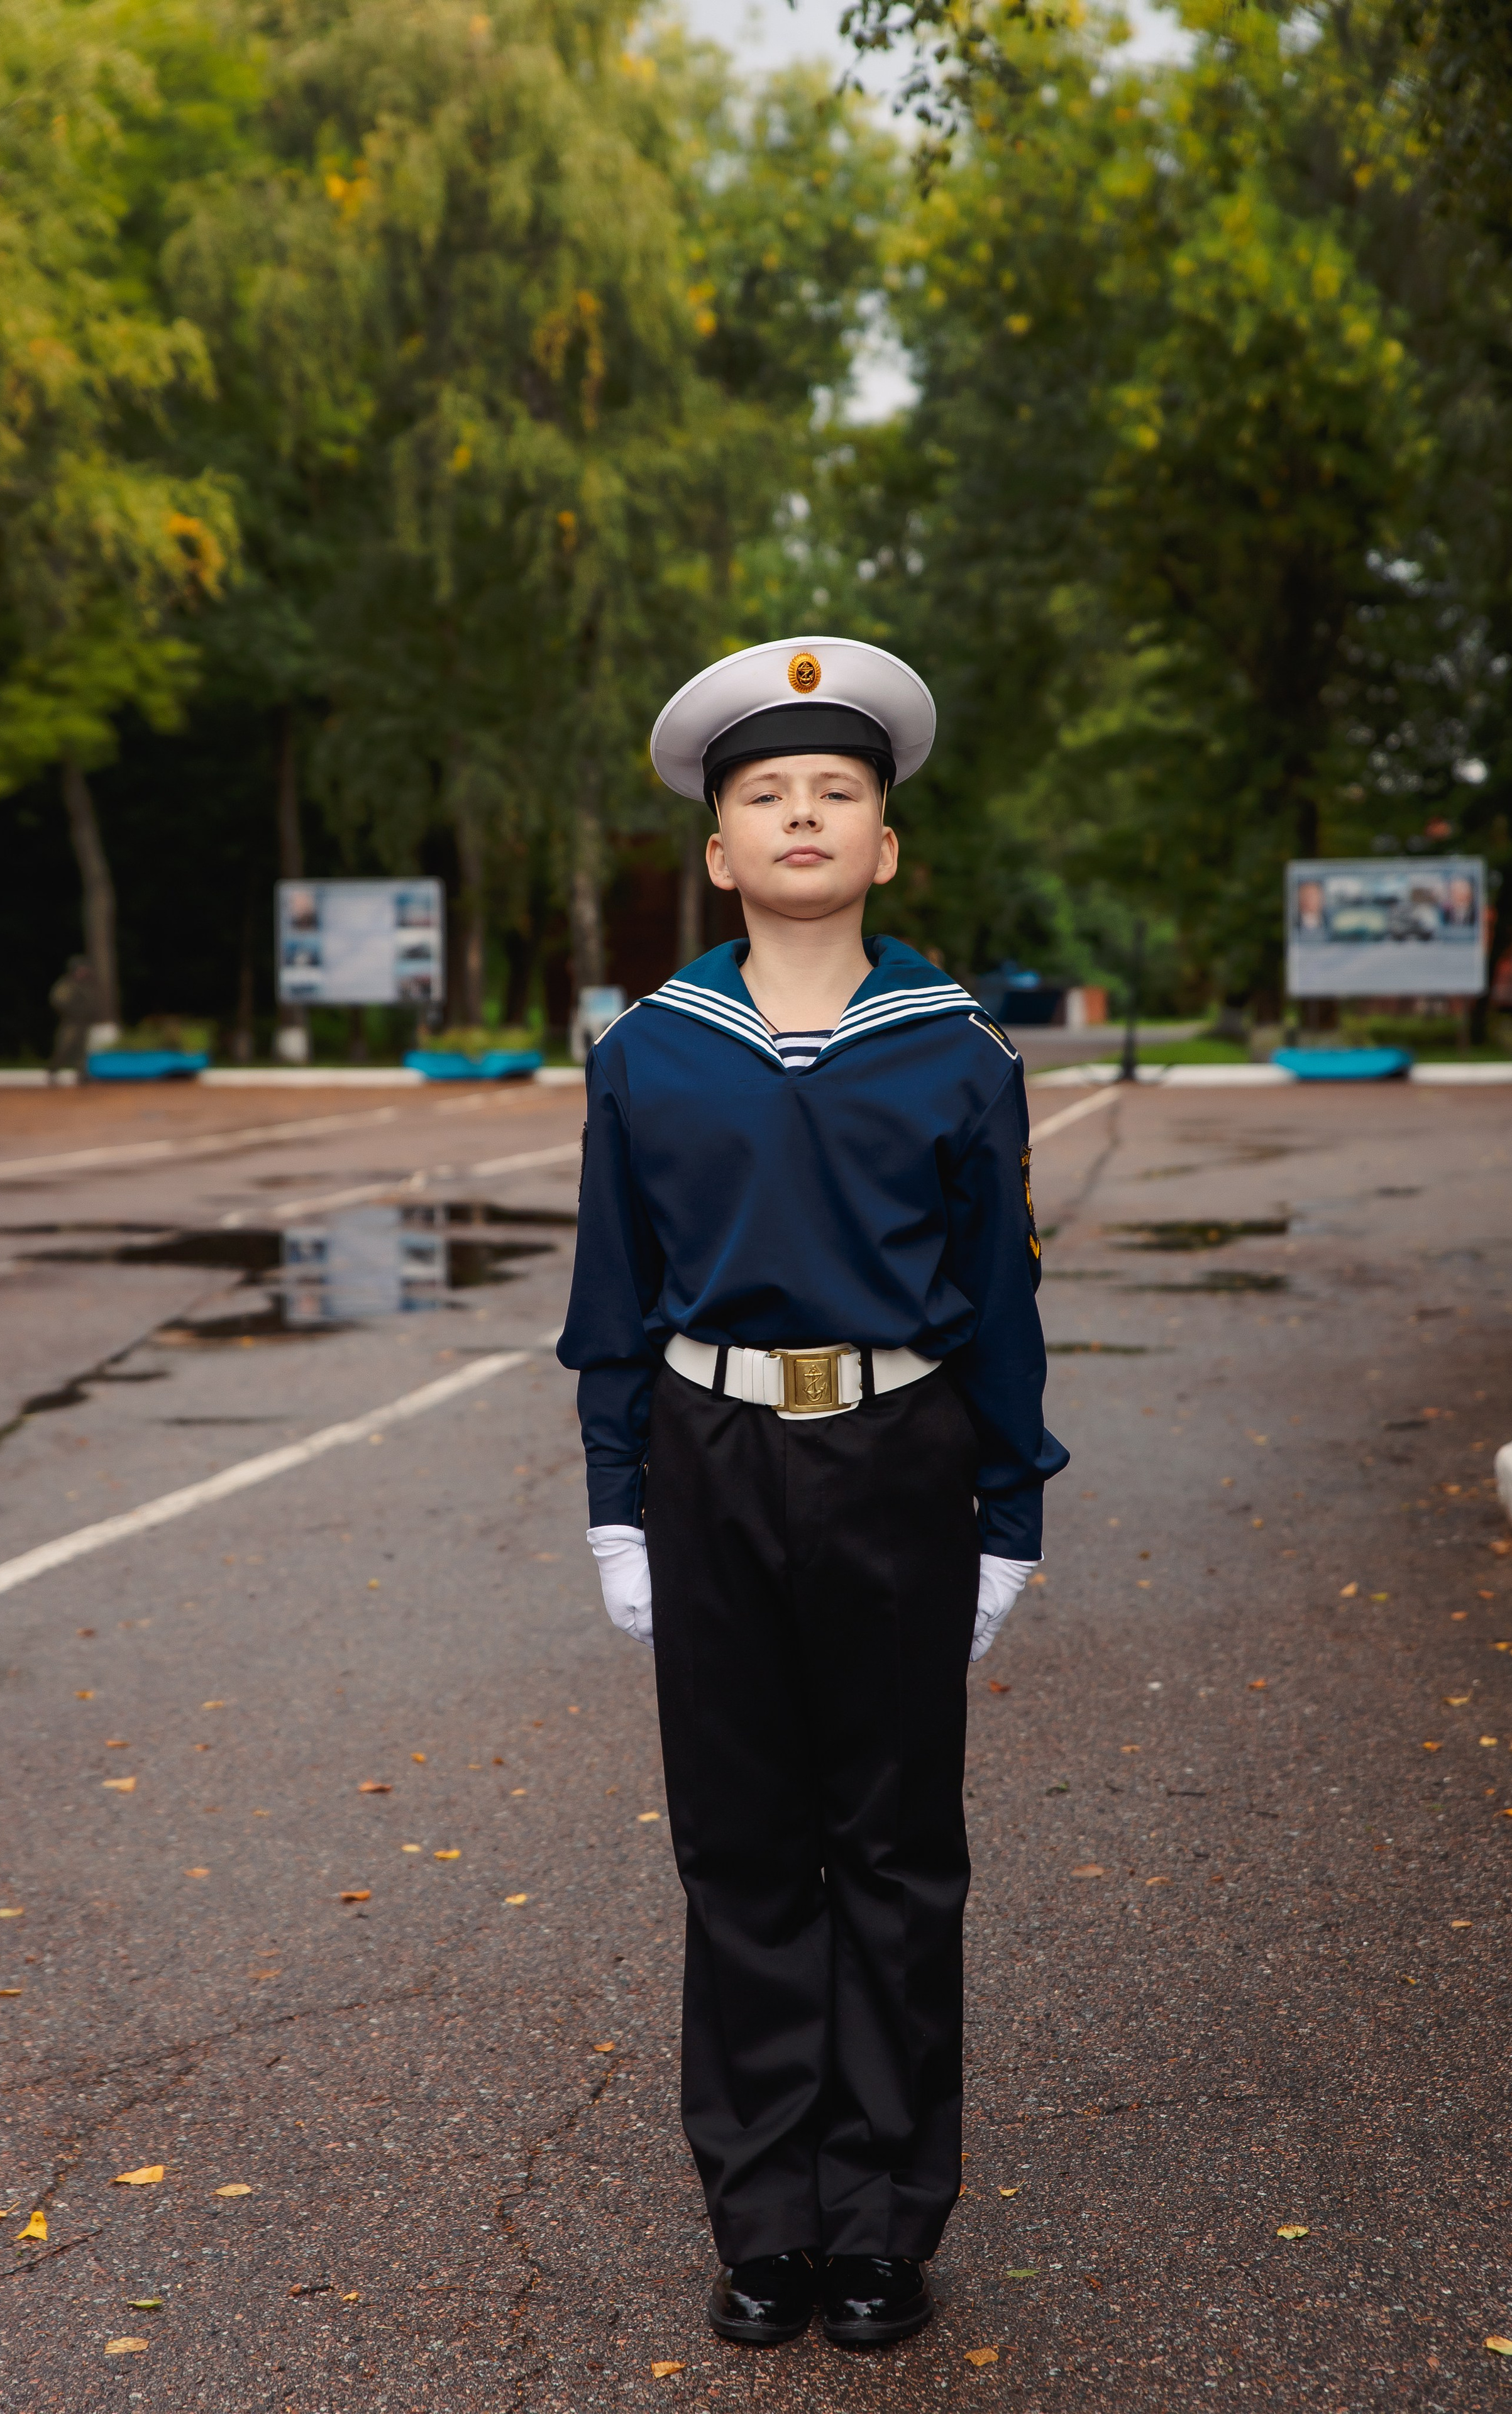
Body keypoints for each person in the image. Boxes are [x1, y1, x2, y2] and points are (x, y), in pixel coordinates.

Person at [556, 636, 1067, 2352]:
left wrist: (1012, 1518)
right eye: (763, 795)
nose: (800, 815)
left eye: (835, 792)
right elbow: (609, 1298)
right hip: (710, 1468)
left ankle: (885, 2227)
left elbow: (1003, 1301)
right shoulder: (651, 1054)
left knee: (899, 1854)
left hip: (901, 1461)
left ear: (886, 846)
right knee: (747, 1856)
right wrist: (616, 1503)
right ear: (717, 854)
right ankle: (766, 2219)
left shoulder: (958, 1052)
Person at [48, 954, 99, 1079]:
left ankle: (82, 1074)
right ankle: (53, 1071)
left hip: (84, 1022)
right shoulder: (67, 984)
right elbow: (58, 1000)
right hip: (71, 1022)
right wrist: (73, 1009)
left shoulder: (86, 985)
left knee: (82, 1050)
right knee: (64, 1047)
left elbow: (93, 1002)